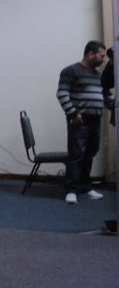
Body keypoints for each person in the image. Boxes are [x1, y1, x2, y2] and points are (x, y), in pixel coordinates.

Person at [56, 40, 110, 204]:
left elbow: (106, 96)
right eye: (101, 56)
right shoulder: (71, 71)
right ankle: (71, 190)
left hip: (95, 119)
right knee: (76, 154)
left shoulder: (98, 75)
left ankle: (84, 187)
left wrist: (114, 104)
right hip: (79, 120)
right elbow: (62, 93)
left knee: (89, 154)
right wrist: (73, 113)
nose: (103, 59)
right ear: (90, 54)